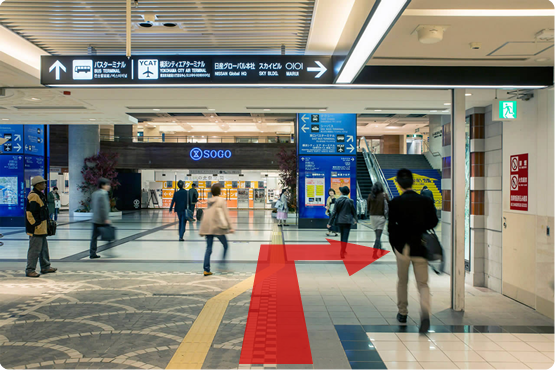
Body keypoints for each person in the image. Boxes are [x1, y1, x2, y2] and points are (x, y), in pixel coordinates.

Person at [388, 169, 438, 333]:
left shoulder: (395, 202)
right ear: (413, 182)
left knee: (402, 280)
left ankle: (402, 313)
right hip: (420, 246)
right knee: (423, 283)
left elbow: (391, 227)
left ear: (398, 184)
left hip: (403, 248)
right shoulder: (425, 201)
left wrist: (395, 245)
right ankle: (425, 315)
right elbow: (433, 222)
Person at [199, 184, 234, 276]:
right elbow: (225, 214)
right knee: (226, 245)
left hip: (208, 227)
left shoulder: (209, 201)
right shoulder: (221, 200)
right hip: (217, 227)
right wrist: (230, 226)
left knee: (209, 248)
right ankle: (221, 266)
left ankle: (206, 269)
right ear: (220, 191)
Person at [25, 176, 57, 278]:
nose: (44, 184)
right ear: (38, 185)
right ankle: (30, 270)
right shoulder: (34, 196)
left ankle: (45, 266)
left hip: (42, 228)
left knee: (43, 249)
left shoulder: (40, 195)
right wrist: (36, 225)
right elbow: (30, 213)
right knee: (34, 249)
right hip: (36, 229)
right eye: (43, 183)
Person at [328, 186, 357, 259]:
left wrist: (330, 223)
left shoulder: (338, 201)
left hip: (340, 221)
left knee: (342, 236)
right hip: (348, 221)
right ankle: (343, 250)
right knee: (345, 236)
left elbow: (334, 212)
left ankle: (343, 250)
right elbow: (353, 212)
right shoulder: (350, 201)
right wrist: (355, 219)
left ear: (341, 192)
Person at [89, 178, 111, 259]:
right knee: (109, 235)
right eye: (107, 185)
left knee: (94, 237)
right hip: (102, 220)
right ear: (103, 185)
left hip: (95, 218)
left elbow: (93, 206)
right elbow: (104, 207)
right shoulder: (103, 194)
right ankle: (109, 251)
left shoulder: (94, 194)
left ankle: (92, 253)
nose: (109, 186)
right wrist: (106, 218)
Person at [368, 183, 389, 250]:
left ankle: (379, 247)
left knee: (377, 234)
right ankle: (375, 249)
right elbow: (389, 204)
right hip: (381, 217)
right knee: (378, 235)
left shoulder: (370, 196)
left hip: (372, 217)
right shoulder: (384, 195)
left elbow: (368, 207)